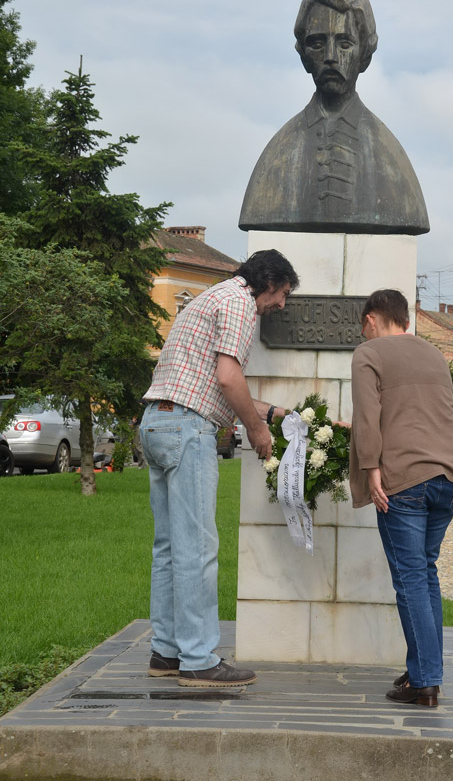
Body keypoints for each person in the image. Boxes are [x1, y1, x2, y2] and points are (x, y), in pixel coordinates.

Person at [140, 249, 299, 688]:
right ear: (268, 283)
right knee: (197, 547)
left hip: (158, 422)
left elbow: (218, 384)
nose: (282, 305)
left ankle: (167, 652)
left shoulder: (213, 298)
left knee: (170, 547)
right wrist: (257, 431)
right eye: (283, 293)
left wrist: (277, 415)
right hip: (188, 429)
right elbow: (230, 380)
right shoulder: (240, 303)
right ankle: (199, 660)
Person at [349, 289, 453, 706]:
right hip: (451, 475)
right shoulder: (435, 354)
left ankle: (424, 683)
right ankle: (424, 668)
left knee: (411, 578)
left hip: (405, 478)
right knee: (425, 571)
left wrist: (372, 470)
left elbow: (368, 416)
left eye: (362, 326)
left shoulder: (369, 353)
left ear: (371, 319)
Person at [239, 0, 429, 235]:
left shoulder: (391, 158)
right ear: (304, 57)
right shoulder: (277, 155)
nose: (330, 56)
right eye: (317, 43)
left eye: (344, 43)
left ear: (365, 55)